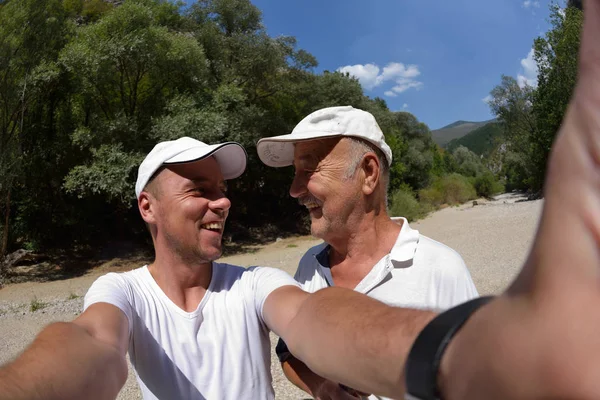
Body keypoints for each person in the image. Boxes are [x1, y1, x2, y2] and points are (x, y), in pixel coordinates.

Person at [3, 2, 600, 399]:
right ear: (146, 206)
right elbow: (92, 345)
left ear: (369, 173)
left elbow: (316, 319)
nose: (222, 203)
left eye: (222, 190)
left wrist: (466, 349)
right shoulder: (121, 292)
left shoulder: (256, 284)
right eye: (198, 189)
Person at [257, 105, 478, 399]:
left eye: (308, 169)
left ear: (368, 173)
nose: (294, 190)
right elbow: (288, 351)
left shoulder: (440, 268)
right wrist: (324, 388)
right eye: (295, 173)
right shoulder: (309, 265)